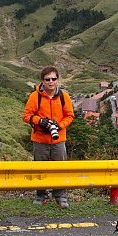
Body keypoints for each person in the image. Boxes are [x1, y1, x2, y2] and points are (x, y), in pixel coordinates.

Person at [22, 66, 75, 208]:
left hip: (59, 139)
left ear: (57, 80)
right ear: (42, 81)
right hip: (40, 139)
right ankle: (41, 194)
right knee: (40, 168)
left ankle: (60, 196)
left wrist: (59, 126)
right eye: (47, 79)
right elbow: (26, 116)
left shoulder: (64, 96)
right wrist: (40, 121)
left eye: (54, 79)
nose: (51, 82)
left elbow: (69, 116)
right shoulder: (35, 96)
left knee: (60, 168)